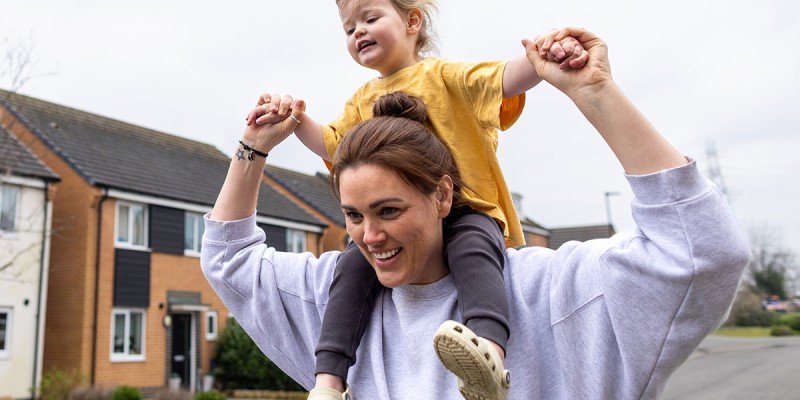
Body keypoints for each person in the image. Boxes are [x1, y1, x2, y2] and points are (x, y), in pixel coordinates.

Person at [204, 27, 750, 399]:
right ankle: (329, 381)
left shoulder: (549, 296)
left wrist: (596, 93)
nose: (369, 236)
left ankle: (489, 348)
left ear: (442, 196)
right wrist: (254, 148)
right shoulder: (332, 300)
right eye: (353, 214)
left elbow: (701, 252)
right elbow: (229, 261)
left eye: (389, 210)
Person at [245, 1, 589, 397]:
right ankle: (328, 380)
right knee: (350, 269)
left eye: (370, 19)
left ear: (412, 21)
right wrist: (294, 119)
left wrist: (544, 56)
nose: (358, 32)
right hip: (396, 221)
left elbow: (504, 80)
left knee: (473, 253)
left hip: (465, 210)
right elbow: (333, 144)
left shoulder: (446, 77)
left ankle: (488, 354)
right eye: (349, 29)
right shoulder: (361, 101)